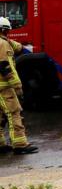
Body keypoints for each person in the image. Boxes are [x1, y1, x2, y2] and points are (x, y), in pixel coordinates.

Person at [0, 17, 36, 154]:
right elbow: (5, 66)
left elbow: (17, 47)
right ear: (4, 30)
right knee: (14, 112)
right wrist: (17, 86)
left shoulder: (4, 42)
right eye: (7, 31)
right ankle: (20, 144)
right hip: (4, 87)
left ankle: (1, 144)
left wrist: (20, 47)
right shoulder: (3, 44)